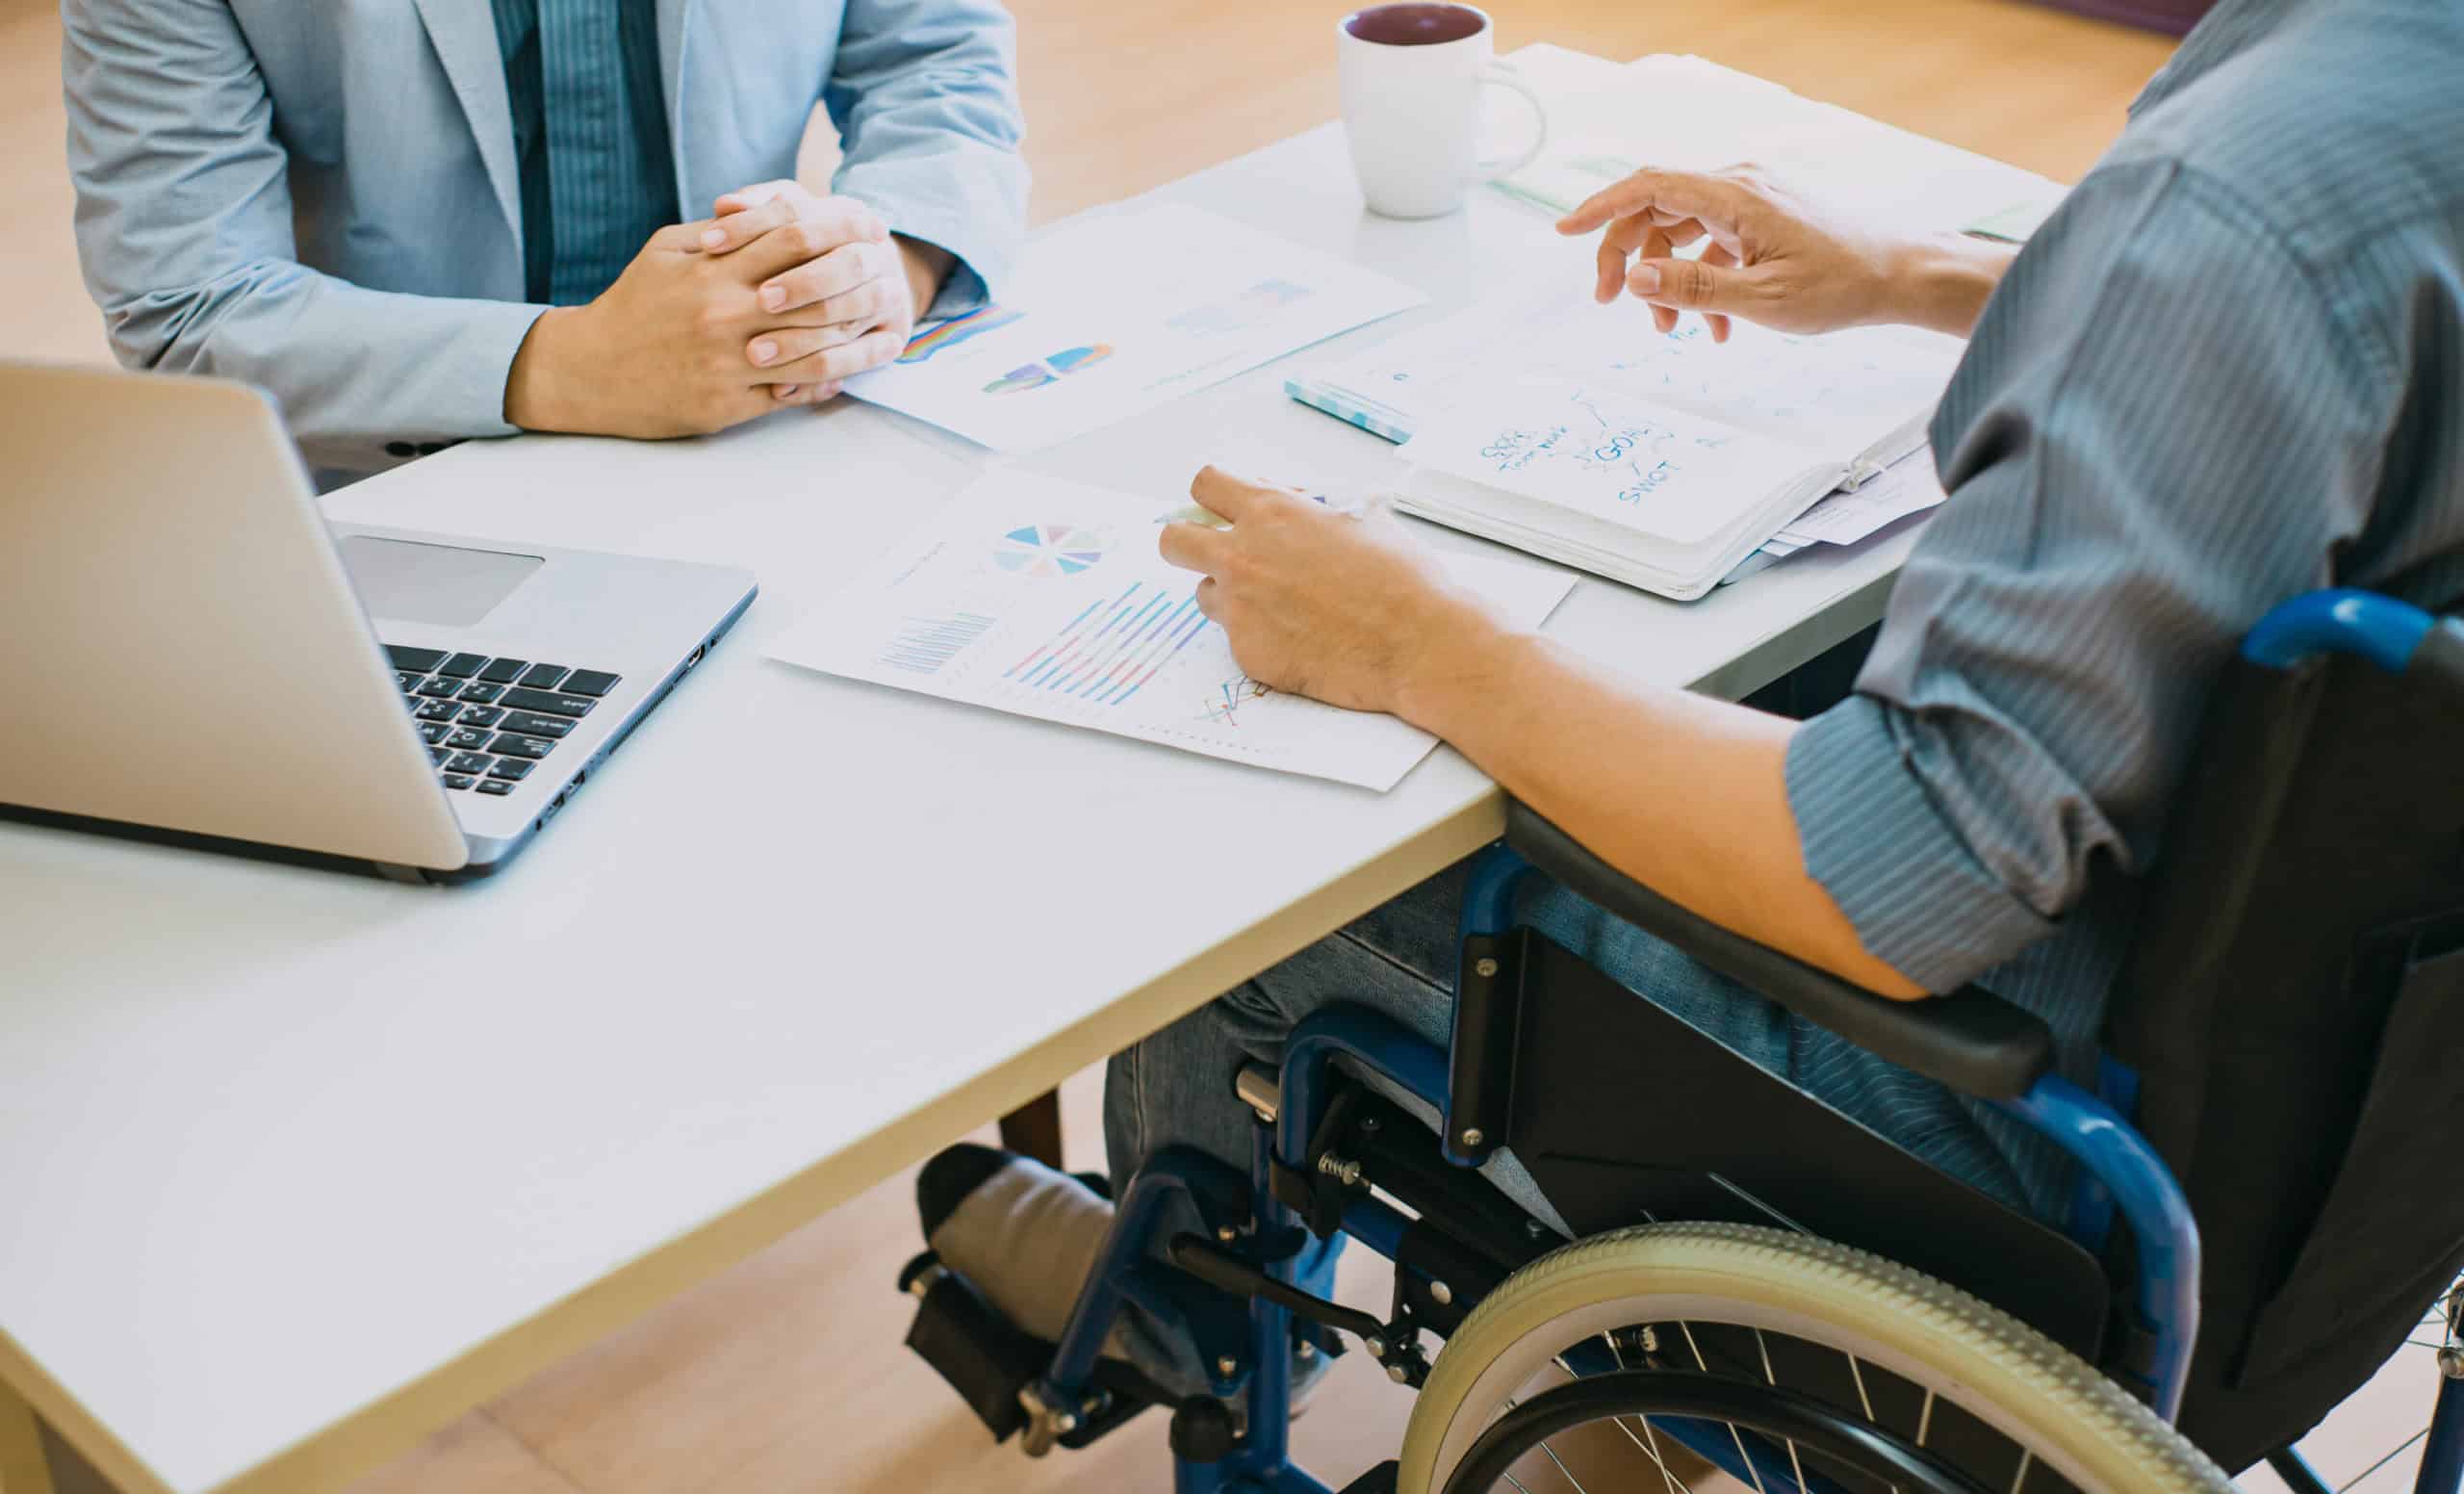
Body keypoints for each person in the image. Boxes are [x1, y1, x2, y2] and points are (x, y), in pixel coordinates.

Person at [910, 0, 2464, 1401]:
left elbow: (1896, 881)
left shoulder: (2236, 205)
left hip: (2011, 1167)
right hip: (2351, 1158)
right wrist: (1919, 279)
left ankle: (1170, 1324)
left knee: (1295, 836)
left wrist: (1419, 646)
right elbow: (2324, 349)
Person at [62, 0, 1027, 484]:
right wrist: (572, 367)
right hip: (400, 484)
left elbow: (934, 57)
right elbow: (186, 303)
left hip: (775, 432)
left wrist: (885, 268)